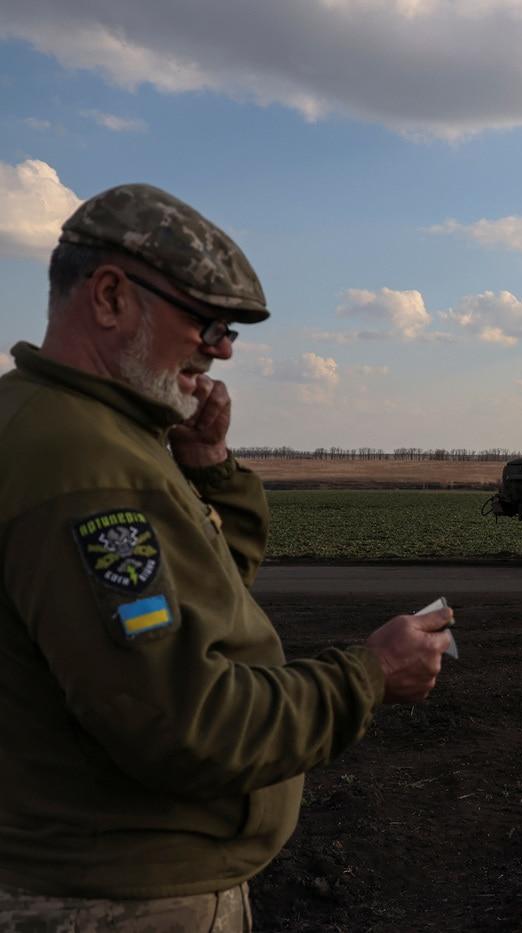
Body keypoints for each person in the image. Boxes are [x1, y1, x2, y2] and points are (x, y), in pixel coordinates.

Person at [0, 183, 455, 931]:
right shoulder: (84, 465)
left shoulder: (76, 429)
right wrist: (368, 676)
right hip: (117, 899)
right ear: (110, 296)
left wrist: (207, 464)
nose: (223, 348)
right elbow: (182, 722)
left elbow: (203, 603)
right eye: (206, 320)